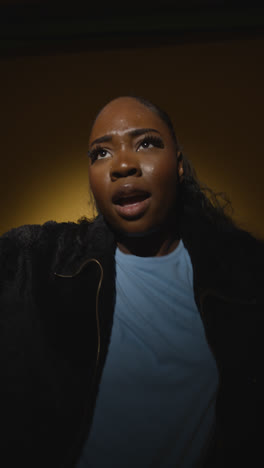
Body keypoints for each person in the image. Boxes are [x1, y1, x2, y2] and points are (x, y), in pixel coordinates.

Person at [0, 95, 260, 468]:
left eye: (147, 143)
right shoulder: (35, 263)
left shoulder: (244, 275)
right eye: (100, 154)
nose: (122, 164)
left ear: (180, 165)